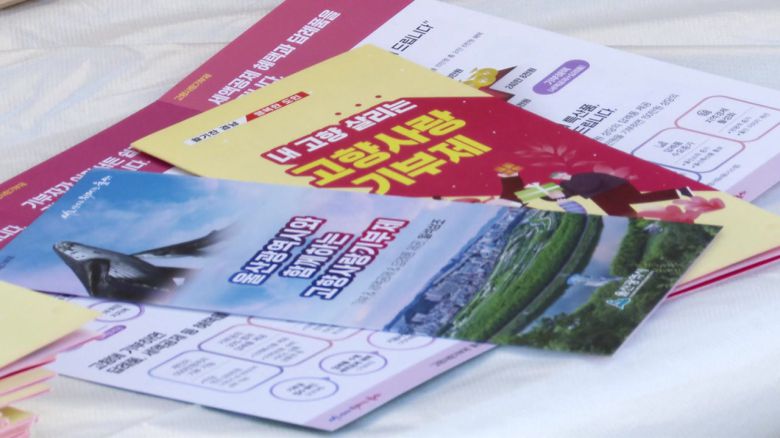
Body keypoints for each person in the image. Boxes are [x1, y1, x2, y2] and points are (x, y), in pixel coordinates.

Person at [547, 171, 693, 216]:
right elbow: (570, 192)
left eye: (561, 174)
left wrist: (583, 193)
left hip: (614, 187)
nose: (562, 176)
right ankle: (639, 224)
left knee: (638, 199)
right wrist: (560, 197)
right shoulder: (567, 186)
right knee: (616, 211)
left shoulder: (579, 177)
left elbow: (594, 184)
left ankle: (679, 190)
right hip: (603, 194)